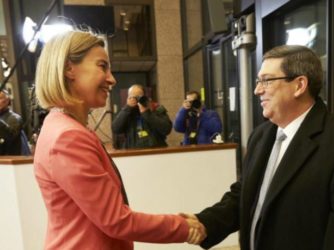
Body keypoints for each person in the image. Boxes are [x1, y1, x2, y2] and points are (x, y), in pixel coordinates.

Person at [34, 30, 206, 249]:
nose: (111, 79)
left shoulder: (60, 126)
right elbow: (116, 220)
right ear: (69, 68)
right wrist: (181, 227)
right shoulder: (68, 136)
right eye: (102, 66)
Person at [181, 45, 334, 250]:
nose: (257, 90)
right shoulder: (261, 136)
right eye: (258, 81)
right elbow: (243, 195)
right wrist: (204, 223)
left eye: (267, 81)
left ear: (299, 85)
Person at [112, 84, 172, 149]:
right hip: (133, 153)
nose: (135, 99)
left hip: (156, 152)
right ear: (128, 98)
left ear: (144, 97)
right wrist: (127, 108)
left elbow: (166, 129)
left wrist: (146, 113)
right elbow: (116, 129)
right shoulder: (126, 112)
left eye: (138, 97)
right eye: (132, 97)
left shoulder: (155, 108)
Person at [0, 90, 30, 155]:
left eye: (0, 98)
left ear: (7, 101)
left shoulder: (15, 118)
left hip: (10, 161)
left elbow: (11, 135)